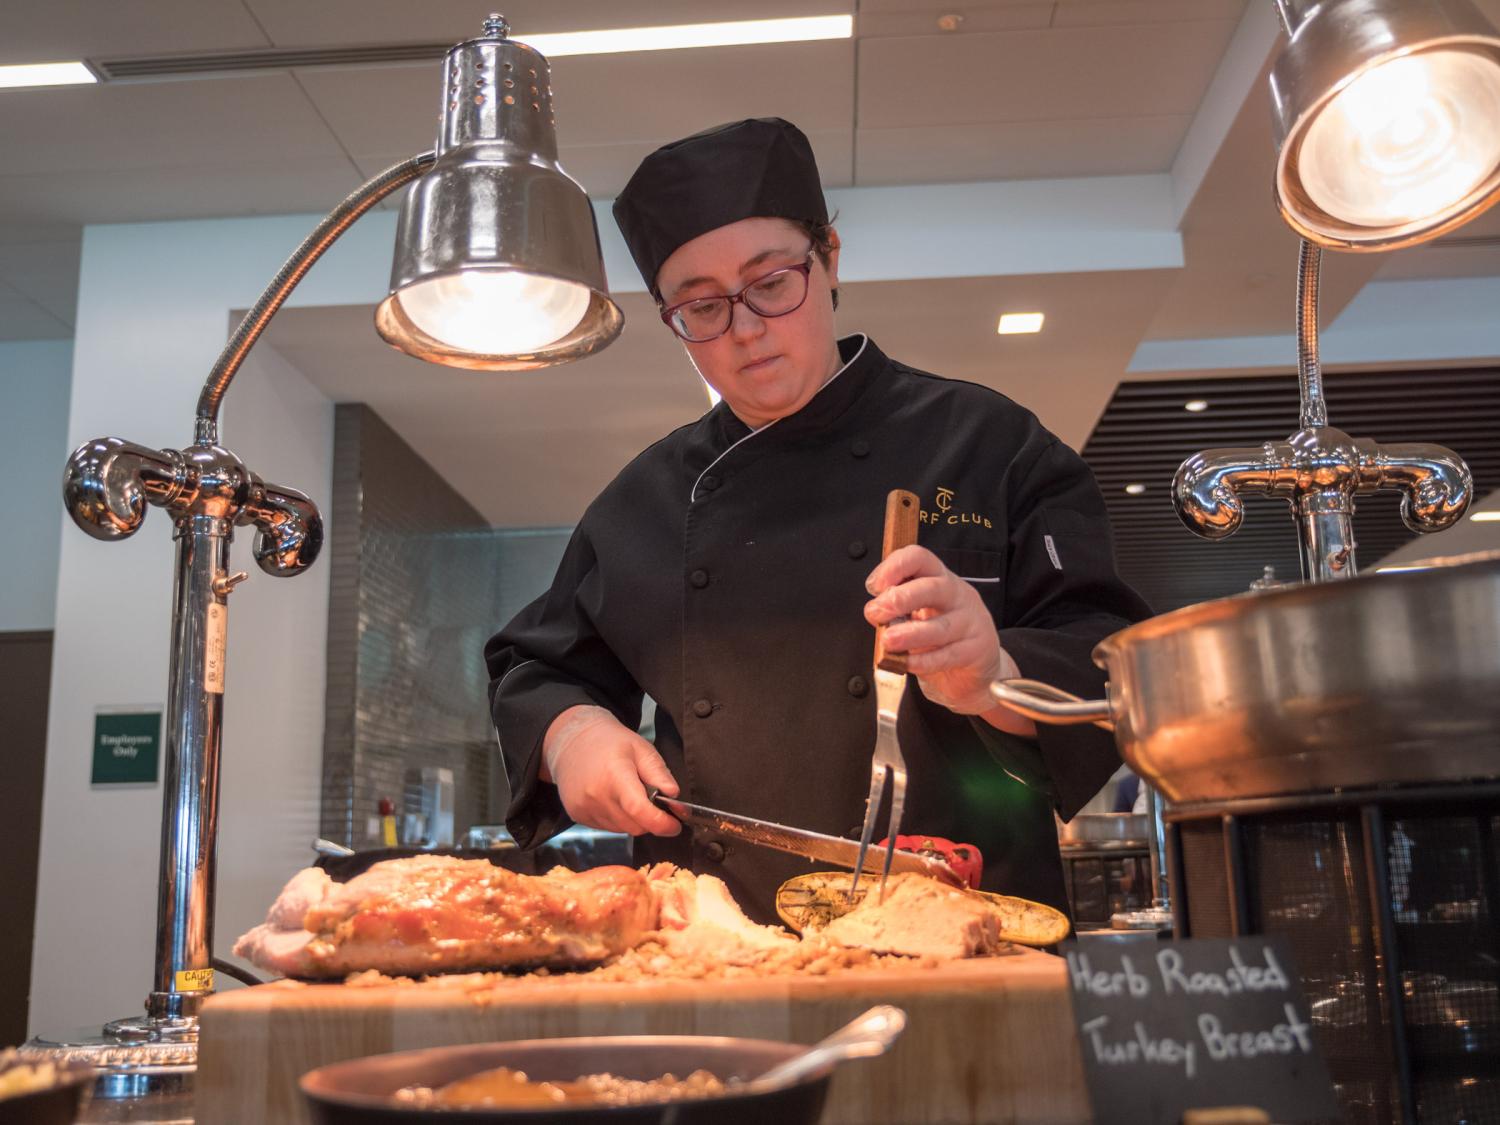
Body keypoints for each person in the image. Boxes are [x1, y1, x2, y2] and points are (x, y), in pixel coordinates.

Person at [485, 118, 1153, 924]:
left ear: (829, 256)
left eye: (770, 283)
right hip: (715, 947)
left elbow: (1113, 668)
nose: (743, 329)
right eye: (700, 306)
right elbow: (537, 665)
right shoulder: (643, 500)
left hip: (971, 938)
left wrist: (996, 674)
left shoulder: (990, 443)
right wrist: (572, 735)